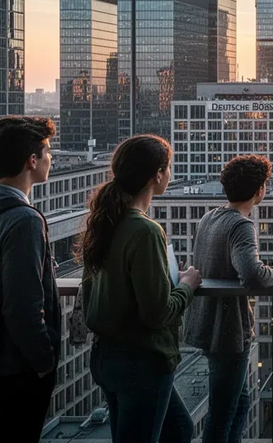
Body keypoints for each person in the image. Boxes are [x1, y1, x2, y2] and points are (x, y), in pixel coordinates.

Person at [78, 135, 203, 443]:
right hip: (141, 361)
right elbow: (157, 312)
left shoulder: (106, 221)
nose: (170, 174)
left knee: (178, 428)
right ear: (157, 175)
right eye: (169, 167)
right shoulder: (145, 230)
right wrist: (187, 284)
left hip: (107, 355)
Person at [0, 116, 60, 442]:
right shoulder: (24, 220)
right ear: (31, 161)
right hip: (15, 367)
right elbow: (22, 305)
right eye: (47, 152)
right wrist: (44, 360)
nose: (51, 159)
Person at [185, 155, 273, 443]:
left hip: (207, 322)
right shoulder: (241, 226)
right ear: (259, 190)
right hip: (227, 331)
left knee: (239, 403)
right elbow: (253, 276)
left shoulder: (210, 217)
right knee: (222, 412)